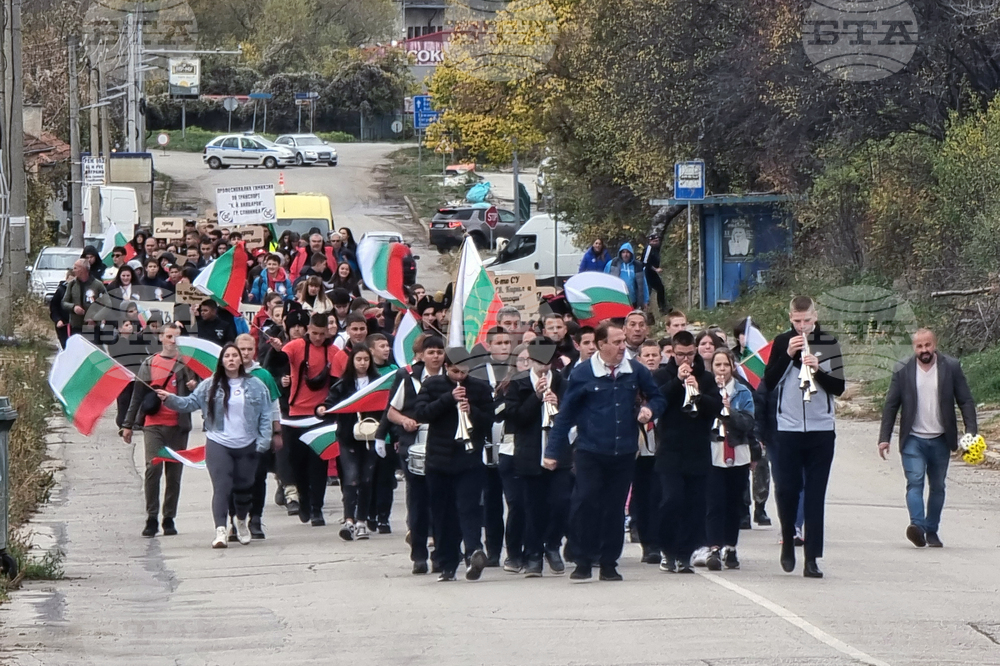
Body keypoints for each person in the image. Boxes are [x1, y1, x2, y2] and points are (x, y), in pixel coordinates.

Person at [544, 322, 665, 581]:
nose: (623, 347)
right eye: (618, 342)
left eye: (624, 341)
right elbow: (566, 415)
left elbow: (658, 397)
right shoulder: (583, 373)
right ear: (601, 345)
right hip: (590, 450)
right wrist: (552, 451)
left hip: (623, 451)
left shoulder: (635, 370)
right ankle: (582, 559)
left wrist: (650, 410)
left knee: (613, 507)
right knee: (585, 502)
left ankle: (609, 562)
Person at [158, 344, 274, 548]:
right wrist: (170, 400)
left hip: (248, 443)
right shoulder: (210, 385)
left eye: (234, 356)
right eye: (227, 356)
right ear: (221, 360)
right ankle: (220, 530)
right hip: (219, 442)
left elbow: (266, 414)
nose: (231, 359)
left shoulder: (256, 385)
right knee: (222, 487)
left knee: (245, 487)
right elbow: (189, 403)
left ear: (241, 360)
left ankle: (240, 521)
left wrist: (264, 440)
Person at [763, 296, 845, 579]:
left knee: (815, 494)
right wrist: (787, 355)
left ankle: (812, 558)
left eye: (807, 321)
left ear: (815, 316)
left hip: (821, 430)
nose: (802, 327)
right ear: (790, 318)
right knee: (786, 489)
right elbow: (769, 382)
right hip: (788, 429)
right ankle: (788, 540)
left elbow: (839, 388)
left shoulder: (828, 341)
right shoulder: (781, 341)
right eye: (797, 321)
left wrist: (818, 369)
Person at [878, 328, 977, 548]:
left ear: (935, 344)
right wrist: (884, 437)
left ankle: (931, 530)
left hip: (941, 438)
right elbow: (891, 405)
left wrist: (971, 431)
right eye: (919, 346)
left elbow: (966, 400)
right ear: (914, 347)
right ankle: (917, 526)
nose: (924, 350)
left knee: (938, 486)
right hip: (913, 438)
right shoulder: (903, 369)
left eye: (928, 345)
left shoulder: (950, 367)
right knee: (915, 482)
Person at [414, 346, 496, 582]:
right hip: (439, 461)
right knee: (442, 513)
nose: (460, 376)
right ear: (446, 368)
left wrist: (473, 411)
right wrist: (447, 400)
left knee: (469, 508)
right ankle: (448, 563)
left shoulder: (479, 388)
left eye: (464, 371)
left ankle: (474, 552)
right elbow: (422, 413)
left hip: (468, 459)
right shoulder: (432, 385)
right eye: (455, 371)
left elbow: (489, 421)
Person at [269, 312, 348, 525]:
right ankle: (303, 499)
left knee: (318, 465)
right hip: (295, 415)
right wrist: (276, 350)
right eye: (314, 333)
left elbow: (340, 384)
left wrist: (331, 409)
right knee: (297, 463)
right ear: (308, 330)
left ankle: (316, 508)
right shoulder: (295, 347)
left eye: (322, 334)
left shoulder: (333, 351)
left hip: (321, 415)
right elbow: (277, 363)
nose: (318, 338)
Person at [120, 324, 199, 538]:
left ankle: (169, 517)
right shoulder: (149, 363)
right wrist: (127, 425)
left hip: (178, 426)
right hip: (153, 424)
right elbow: (137, 395)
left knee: (173, 475)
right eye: (170, 336)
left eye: (177, 337)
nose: (174, 341)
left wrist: (194, 385)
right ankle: (152, 517)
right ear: (161, 338)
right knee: (152, 470)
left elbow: (201, 390)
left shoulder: (186, 365)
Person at [654, 330, 723, 573]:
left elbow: (717, 407)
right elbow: (656, 403)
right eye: (681, 355)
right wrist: (677, 383)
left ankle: (684, 554)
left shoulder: (705, 377)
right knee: (672, 500)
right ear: (672, 352)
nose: (686, 360)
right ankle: (666, 549)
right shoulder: (662, 375)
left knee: (694, 506)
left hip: (697, 450)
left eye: (690, 354)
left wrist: (699, 393)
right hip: (670, 451)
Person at [505, 339, 569, 577]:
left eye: (547, 361)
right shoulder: (518, 383)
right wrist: (536, 397)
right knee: (533, 507)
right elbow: (515, 417)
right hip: (530, 452)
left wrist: (559, 405)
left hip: (558, 451)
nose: (543, 366)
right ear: (530, 358)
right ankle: (533, 555)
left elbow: (575, 413)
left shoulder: (562, 382)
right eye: (538, 360)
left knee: (561, 501)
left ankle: (552, 544)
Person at [382, 334, 445, 573]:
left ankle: (441, 553)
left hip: (442, 447)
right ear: (422, 355)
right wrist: (405, 421)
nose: (436, 356)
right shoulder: (409, 379)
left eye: (439, 352)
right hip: (414, 446)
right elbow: (391, 412)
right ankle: (419, 554)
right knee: (418, 503)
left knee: (441, 502)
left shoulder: (451, 379)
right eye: (431, 352)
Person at [316, 345, 383, 540]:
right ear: (352, 361)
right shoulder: (343, 384)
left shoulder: (377, 383)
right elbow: (331, 403)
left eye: (366, 359)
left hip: (371, 437)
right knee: (351, 478)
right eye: (359, 359)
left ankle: (362, 520)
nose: (363, 363)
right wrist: (322, 409)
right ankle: (349, 520)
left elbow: (387, 407)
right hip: (348, 437)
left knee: (367, 479)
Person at [705, 348, 756, 570]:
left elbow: (748, 423)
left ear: (732, 367)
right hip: (714, 451)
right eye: (718, 365)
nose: (722, 370)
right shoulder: (705, 390)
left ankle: (731, 546)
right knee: (714, 502)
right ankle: (714, 547)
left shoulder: (743, 392)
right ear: (712, 368)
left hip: (738, 452)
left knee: (734, 502)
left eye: (726, 365)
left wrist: (729, 411)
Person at [233, 334, 283, 540]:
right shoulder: (227, 373)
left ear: (254, 350)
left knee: (258, 478)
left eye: (248, 349)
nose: (245, 353)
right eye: (241, 349)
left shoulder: (263, 375)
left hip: (259, 436)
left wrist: (277, 432)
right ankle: (236, 520)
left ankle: (255, 518)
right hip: (233, 436)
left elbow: (274, 405)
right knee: (234, 480)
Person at [630, 339, 665, 564]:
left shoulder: (666, 382)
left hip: (662, 449)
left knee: (660, 496)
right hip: (638, 450)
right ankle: (648, 544)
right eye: (647, 355)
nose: (651, 358)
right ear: (639, 359)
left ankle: (661, 539)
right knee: (642, 498)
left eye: (655, 355)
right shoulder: (632, 383)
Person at [62, 258, 110, 334]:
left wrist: (95, 318)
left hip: (92, 327)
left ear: (83, 270)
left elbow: (107, 304)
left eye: (75, 268)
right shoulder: (71, 284)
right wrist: (73, 307)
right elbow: (64, 302)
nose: (73, 270)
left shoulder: (98, 285)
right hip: (76, 326)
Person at [605, 242, 647, 309]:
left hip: (632, 301)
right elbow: (605, 280)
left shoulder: (637, 266)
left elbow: (643, 284)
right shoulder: (612, 264)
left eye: (627, 252)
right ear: (620, 253)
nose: (625, 255)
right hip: (617, 300)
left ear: (631, 254)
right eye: (623, 252)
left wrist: (645, 300)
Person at [641, 234, 666, 311]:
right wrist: (656, 269)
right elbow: (645, 262)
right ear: (650, 241)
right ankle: (645, 308)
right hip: (647, 272)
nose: (656, 242)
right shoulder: (649, 248)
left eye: (657, 241)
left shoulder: (656, 249)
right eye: (654, 241)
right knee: (647, 291)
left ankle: (662, 308)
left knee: (660, 288)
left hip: (652, 273)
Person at [50, 269, 73, 348]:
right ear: (66, 279)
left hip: (77, 324)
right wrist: (58, 320)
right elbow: (54, 307)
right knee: (66, 345)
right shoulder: (60, 291)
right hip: (63, 324)